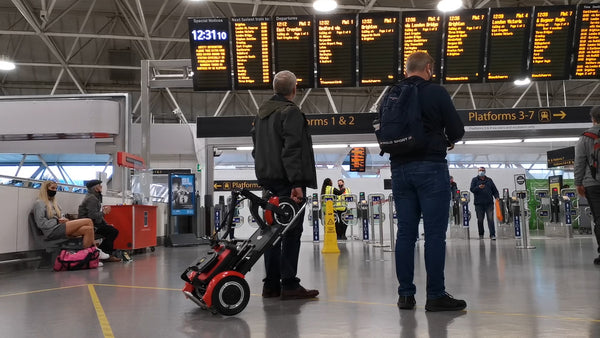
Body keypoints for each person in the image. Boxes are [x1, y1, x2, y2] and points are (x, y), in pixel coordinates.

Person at [389, 52, 466, 311]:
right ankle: (435, 296)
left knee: (405, 234)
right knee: (434, 234)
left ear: (407, 69)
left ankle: (405, 295)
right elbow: (457, 130)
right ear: (429, 68)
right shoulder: (436, 92)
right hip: (431, 168)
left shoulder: (392, 93)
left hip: (399, 169)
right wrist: (447, 138)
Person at [251, 70, 319, 300]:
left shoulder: (261, 115)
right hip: (287, 183)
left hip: (268, 181)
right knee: (291, 233)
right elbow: (292, 150)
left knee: (271, 232)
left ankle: (270, 285)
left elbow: (255, 149)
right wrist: (296, 183)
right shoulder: (291, 113)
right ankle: (289, 284)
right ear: (294, 89)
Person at [575, 106, 600, 265]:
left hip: (593, 184)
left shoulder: (585, 138)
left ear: (593, 119)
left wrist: (578, 183)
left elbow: (579, 163)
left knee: (599, 218)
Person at [78, 179, 121, 262]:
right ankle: (105, 253)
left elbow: (98, 216)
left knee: (111, 230)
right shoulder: (92, 199)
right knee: (113, 232)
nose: (101, 187)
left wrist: (106, 224)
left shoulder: (94, 197)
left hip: (94, 223)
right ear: (95, 188)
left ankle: (102, 252)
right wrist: (104, 212)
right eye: (100, 186)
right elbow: (92, 216)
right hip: (90, 225)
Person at [470, 167, 500, 240]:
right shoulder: (475, 180)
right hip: (478, 204)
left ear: (485, 171)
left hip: (489, 203)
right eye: (480, 170)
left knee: (490, 219)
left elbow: (494, 190)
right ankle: (481, 234)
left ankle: (492, 234)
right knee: (480, 220)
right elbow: (472, 189)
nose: (481, 172)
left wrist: (497, 197)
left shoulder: (489, 180)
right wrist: (478, 187)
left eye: (483, 170)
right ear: (478, 171)